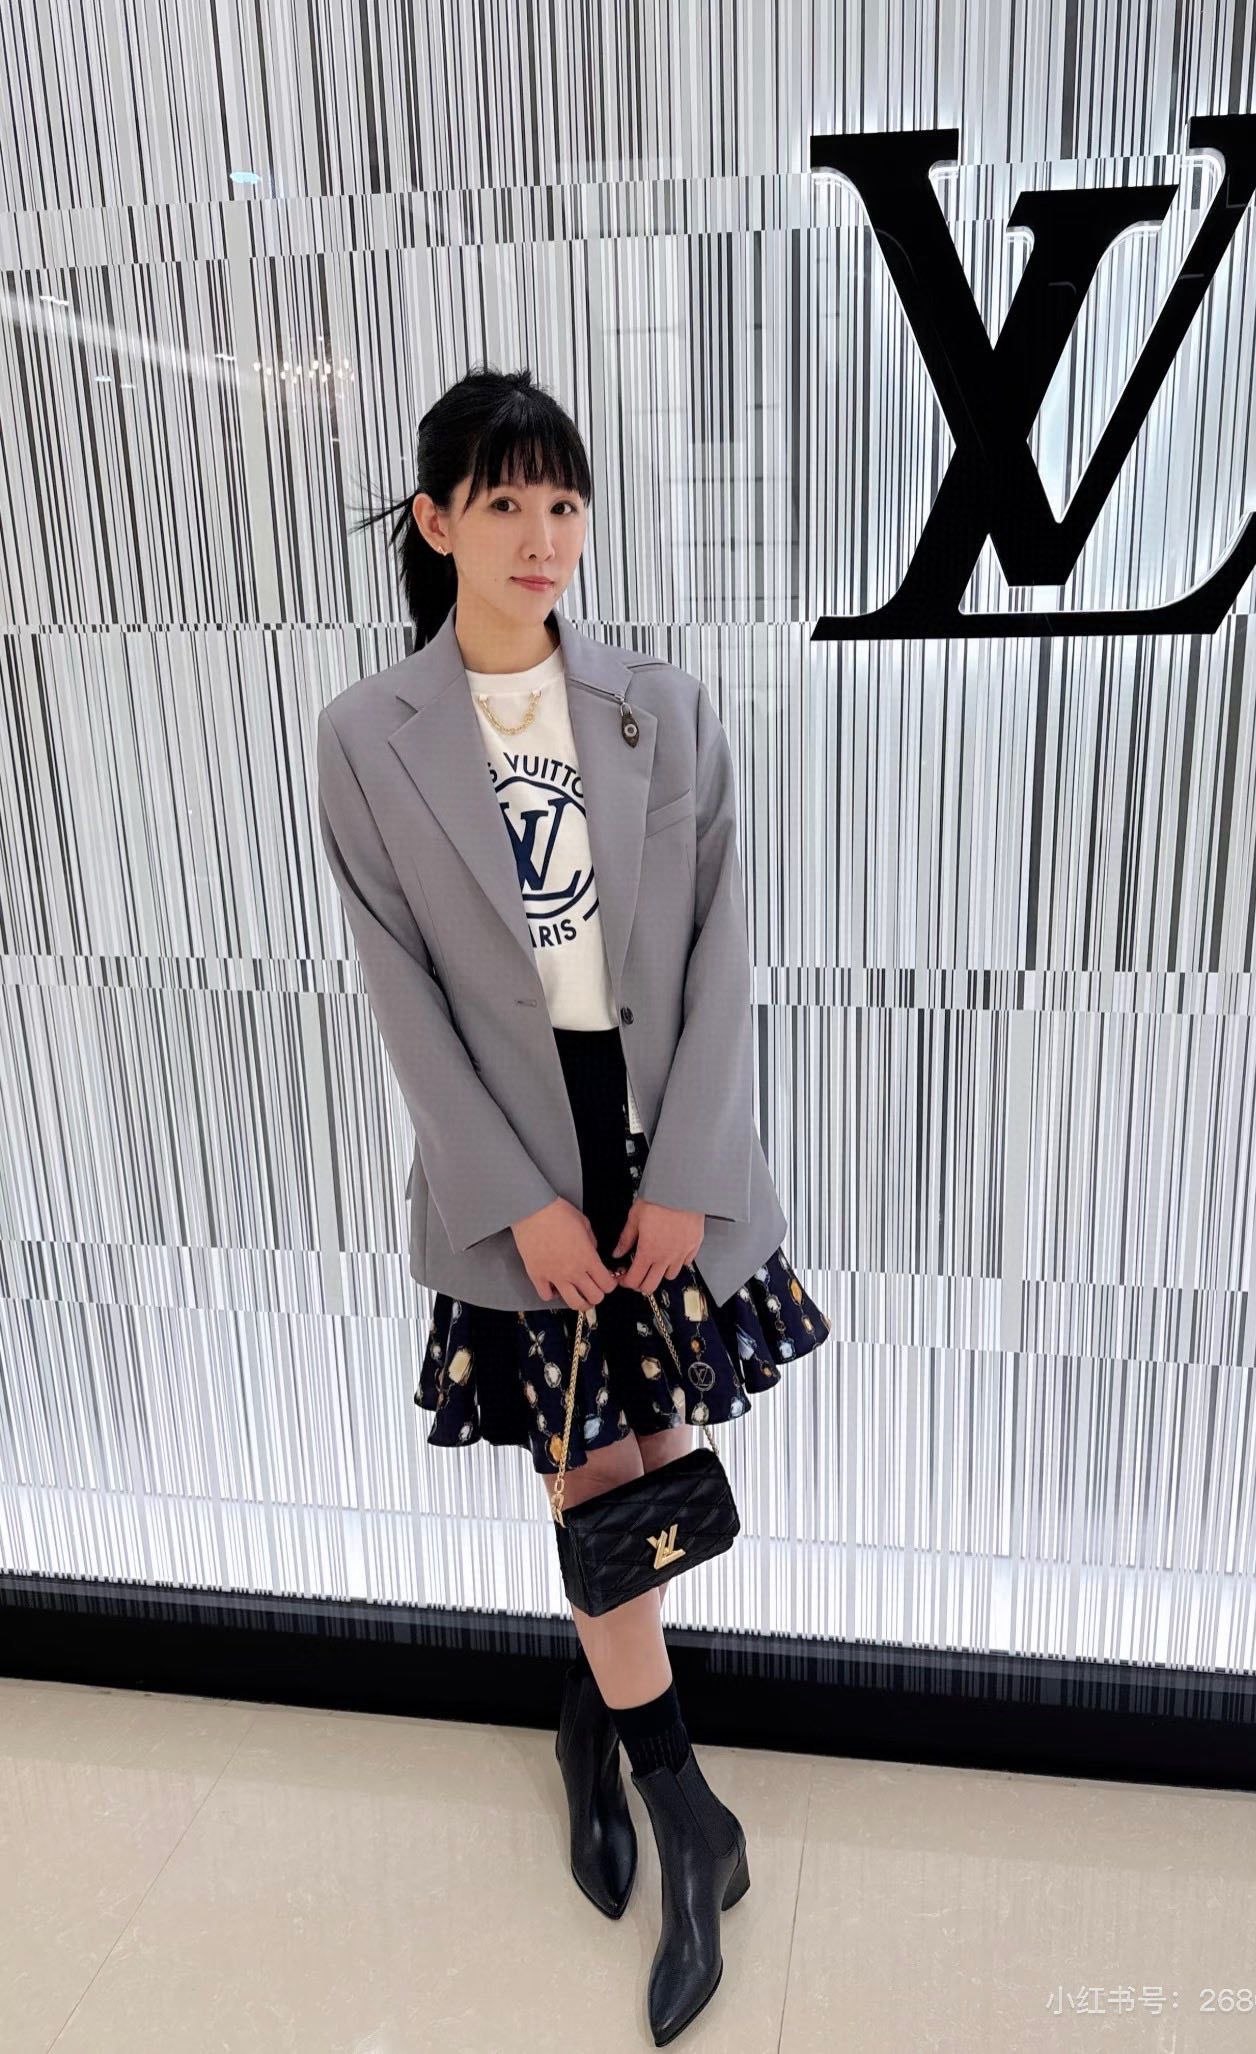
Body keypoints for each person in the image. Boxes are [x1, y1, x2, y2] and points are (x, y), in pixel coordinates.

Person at [319, 364, 830, 2042]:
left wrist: (688, 1174)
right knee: (599, 1477)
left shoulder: (657, 705)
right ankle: (690, 1813)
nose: (543, 535)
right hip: (518, 1182)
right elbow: (401, 998)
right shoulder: (369, 737)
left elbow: (726, 952)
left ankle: (587, 1719)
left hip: (664, 1163)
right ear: (434, 520)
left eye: (564, 501)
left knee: (649, 1474)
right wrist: (515, 1203)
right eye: (505, 502)